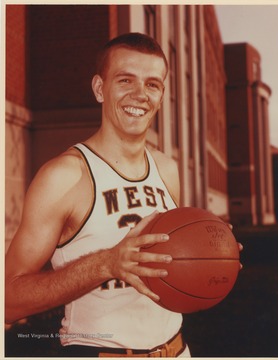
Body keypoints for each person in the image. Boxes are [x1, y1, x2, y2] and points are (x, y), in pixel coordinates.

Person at [5, 32, 189, 357]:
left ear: (161, 96)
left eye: (152, 84)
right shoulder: (64, 176)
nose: (140, 94)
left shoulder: (167, 169)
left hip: (177, 349)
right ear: (100, 89)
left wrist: (211, 252)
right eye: (125, 80)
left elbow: (173, 268)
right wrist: (106, 263)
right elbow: (7, 299)